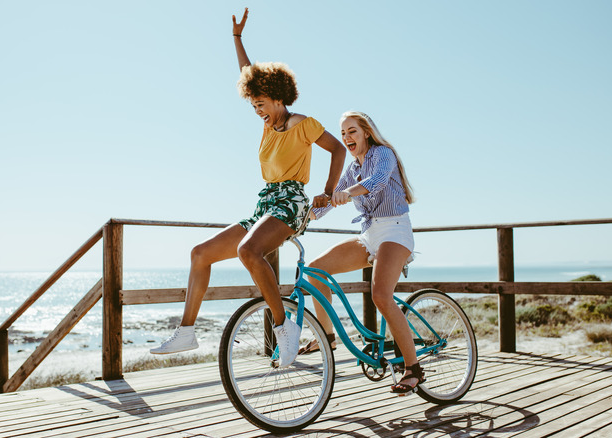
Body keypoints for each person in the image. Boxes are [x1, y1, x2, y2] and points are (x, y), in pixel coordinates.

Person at [150, 8, 346, 368]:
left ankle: (284, 328)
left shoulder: (304, 123)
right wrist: (237, 39)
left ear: (277, 97)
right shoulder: (269, 126)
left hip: (291, 202)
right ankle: (187, 331)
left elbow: (338, 149)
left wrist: (329, 189)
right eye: (254, 105)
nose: (257, 111)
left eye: (261, 104)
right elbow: (248, 74)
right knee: (200, 253)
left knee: (248, 251)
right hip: (266, 203)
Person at [302, 111, 423, 394]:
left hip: (395, 231)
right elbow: (328, 203)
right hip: (370, 234)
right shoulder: (352, 168)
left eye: (352, 131)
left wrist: (350, 192)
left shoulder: (384, 154)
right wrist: (304, 219)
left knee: (381, 295)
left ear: (366, 132)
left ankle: (413, 367)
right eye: (343, 133)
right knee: (316, 270)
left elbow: (378, 181)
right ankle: (327, 336)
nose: (346, 138)